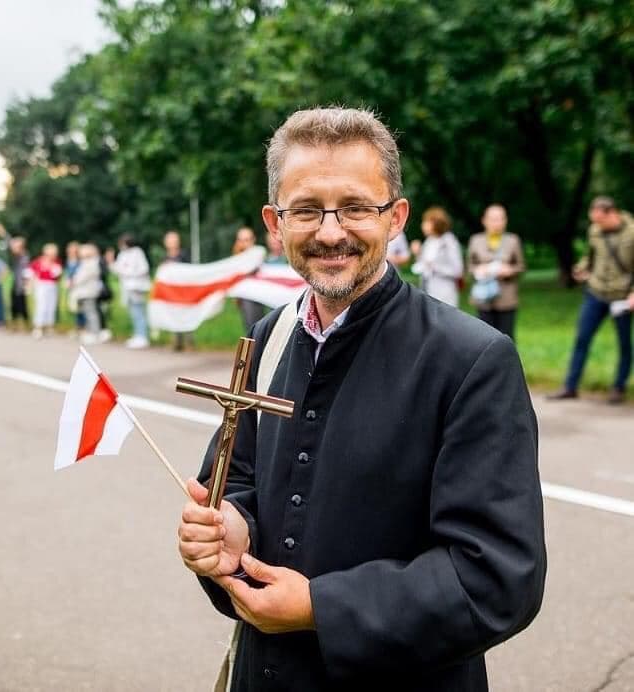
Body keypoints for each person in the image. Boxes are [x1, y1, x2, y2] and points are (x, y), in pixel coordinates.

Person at [177, 107, 546, 691]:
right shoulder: (268, 337)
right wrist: (231, 527)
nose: (330, 232)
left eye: (354, 207)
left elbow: (497, 575)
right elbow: (239, 478)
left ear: (395, 216)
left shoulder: (471, 360)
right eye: (305, 209)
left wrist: (322, 607)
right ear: (275, 223)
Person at [548, 196, 634, 405]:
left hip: (621, 296)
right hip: (595, 292)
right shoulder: (595, 231)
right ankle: (570, 386)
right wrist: (583, 267)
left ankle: (618, 387)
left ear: (612, 213)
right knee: (582, 338)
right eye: (593, 220)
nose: (596, 224)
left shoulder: (632, 233)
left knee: (624, 343)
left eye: (600, 220)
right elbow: (593, 256)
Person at [467, 204, 525, 340]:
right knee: (484, 338)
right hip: (484, 298)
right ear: (484, 220)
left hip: (506, 297)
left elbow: (521, 267)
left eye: (500, 219)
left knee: (507, 337)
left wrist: (509, 270)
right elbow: (469, 267)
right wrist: (479, 270)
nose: (497, 223)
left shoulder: (513, 240)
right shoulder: (476, 240)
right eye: (493, 219)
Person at [410, 206, 464, 307]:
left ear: (436, 223)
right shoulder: (429, 241)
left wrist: (435, 267)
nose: (423, 225)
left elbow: (457, 270)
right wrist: (418, 253)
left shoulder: (449, 241)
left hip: (444, 292)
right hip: (428, 290)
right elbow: (424, 264)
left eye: (426, 222)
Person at [110, 233, 151, 349]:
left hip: (136, 286)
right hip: (127, 287)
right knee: (133, 312)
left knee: (139, 311)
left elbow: (144, 269)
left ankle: (143, 336)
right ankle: (138, 335)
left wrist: (129, 273)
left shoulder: (137, 252)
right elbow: (118, 269)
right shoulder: (122, 254)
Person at [159, 230, 193, 351]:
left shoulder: (184, 255)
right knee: (174, 315)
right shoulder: (165, 258)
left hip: (184, 292)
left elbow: (191, 271)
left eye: (174, 240)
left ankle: (190, 343)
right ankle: (177, 342)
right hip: (172, 295)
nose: (172, 242)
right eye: (170, 240)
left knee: (187, 316)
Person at [0, 224, 31, 329]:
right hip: (16, 282)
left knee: (22, 304)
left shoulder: (23, 254)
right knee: (14, 303)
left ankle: (25, 323)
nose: (13, 247)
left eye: (16, 244)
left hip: (22, 283)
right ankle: (15, 324)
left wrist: (4, 233)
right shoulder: (16, 255)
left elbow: (11, 245)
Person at [232, 226, 265, 331]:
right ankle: (249, 348)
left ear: (253, 240)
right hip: (245, 298)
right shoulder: (238, 258)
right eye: (240, 240)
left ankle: (247, 348)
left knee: (254, 330)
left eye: (246, 240)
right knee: (249, 328)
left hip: (257, 298)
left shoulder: (258, 253)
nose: (243, 244)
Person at [29, 243, 62, 338]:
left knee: (51, 306)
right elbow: (31, 273)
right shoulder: (39, 261)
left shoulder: (56, 262)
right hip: (41, 285)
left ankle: (49, 326)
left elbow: (57, 275)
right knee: (41, 305)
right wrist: (31, 284)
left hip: (52, 285)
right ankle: (38, 327)